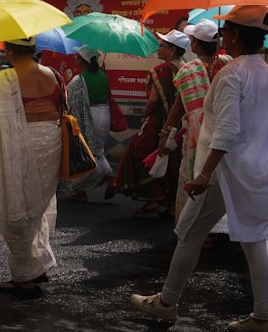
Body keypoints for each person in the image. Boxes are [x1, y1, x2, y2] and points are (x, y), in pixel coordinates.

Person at [130, 5, 268, 332]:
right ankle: (263, 317)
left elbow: (227, 131)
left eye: (226, 29)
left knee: (189, 233)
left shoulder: (231, 74)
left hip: (226, 170)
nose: (222, 35)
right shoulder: (264, 71)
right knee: (255, 242)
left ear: (236, 34)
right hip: (259, 167)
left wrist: (203, 175)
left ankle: (167, 302)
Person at [0, 37, 64, 300]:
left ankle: (24, 277)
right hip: (51, 142)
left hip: (23, 145)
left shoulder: (5, 80)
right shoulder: (54, 74)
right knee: (38, 204)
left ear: (11, 51)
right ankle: (37, 264)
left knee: (19, 207)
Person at [111, 29, 185, 216]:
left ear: (173, 50)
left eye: (163, 46)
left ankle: (155, 200)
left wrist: (144, 115)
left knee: (143, 157)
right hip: (181, 126)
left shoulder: (159, 72)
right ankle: (169, 202)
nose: (158, 49)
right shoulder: (187, 69)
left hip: (158, 124)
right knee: (173, 162)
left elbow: (152, 101)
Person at [159, 20, 218, 222]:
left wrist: (165, 134)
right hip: (222, 137)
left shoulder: (188, 70)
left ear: (194, 43)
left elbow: (178, 108)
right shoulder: (226, 65)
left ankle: (191, 226)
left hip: (196, 138)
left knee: (192, 177)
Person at [60, 45, 114, 202]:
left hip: (91, 117)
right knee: (98, 150)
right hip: (104, 115)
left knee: (85, 153)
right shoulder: (103, 76)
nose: (75, 59)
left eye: (77, 56)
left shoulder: (79, 80)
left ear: (83, 60)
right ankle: (109, 178)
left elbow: (67, 97)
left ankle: (81, 191)